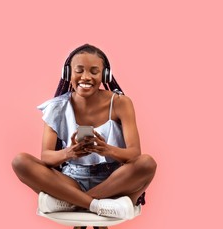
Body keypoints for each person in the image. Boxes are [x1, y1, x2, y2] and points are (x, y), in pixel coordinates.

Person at [12, 44, 156, 220]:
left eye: (94, 72)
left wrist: (107, 150)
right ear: (68, 74)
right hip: (71, 180)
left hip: (113, 179)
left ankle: (71, 203)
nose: (86, 77)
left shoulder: (120, 103)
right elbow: (46, 157)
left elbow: (135, 154)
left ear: (105, 75)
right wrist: (69, 153)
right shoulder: (56, 107)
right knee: (20, 162)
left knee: (147, 164)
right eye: (79, 70)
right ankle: (95, 205)